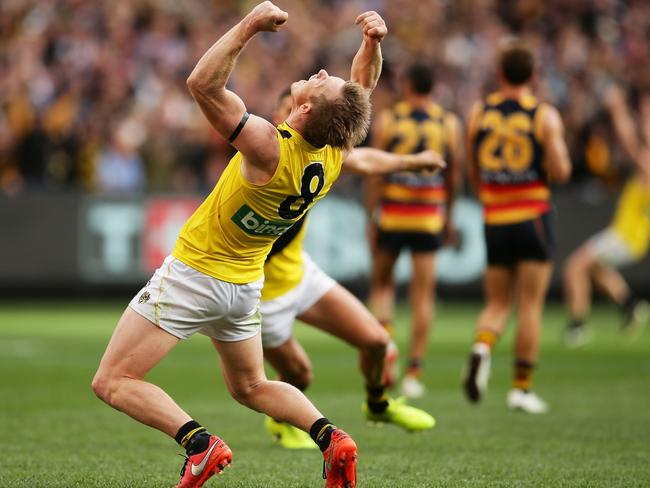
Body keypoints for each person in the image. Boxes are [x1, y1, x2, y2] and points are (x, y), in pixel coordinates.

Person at [91, 3, 387, 487]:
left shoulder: (270, 145)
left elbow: (201, 84)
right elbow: (362, 89)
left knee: (112, 380)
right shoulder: (335, 152)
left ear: (307, 108)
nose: (319, 72)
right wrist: (372, 44)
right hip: (246, 284)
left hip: (195, 274)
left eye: (321, 81)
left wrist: (249, 25)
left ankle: (199, 445)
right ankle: (333, 439)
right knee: (251, 385)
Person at [262, 89, 440, 449]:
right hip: (261, 296)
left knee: (377, 341)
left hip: (301, 275)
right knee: (299, 374)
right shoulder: (266, 155)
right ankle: (280, 421)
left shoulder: (320, 150)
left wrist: (411, 163)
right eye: (290, 108)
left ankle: (378, 404)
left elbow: (361, 159)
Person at [462, 42, 571, 414]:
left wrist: (490, 192)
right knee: (530, 305)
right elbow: (561, 171)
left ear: (500, 74)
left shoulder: (480, 111)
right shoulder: (543, 114)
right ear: (534, 76)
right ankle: (521, 389)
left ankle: (482, 347)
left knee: (496, 302)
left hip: (495, 216)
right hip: (532, 216)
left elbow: (471, 166)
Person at [366, 63, 462, 398]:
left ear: (407, 83)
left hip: (392, 214)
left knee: (382, 285)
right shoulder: (447, 122)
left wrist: (370, 217)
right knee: (423, 296)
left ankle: (385, 347)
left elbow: (376, 171)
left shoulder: (390, 119)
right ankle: (414, 372)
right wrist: (449, 217)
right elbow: (453, 174)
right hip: (427, 216)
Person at [563, 84, 650, 347]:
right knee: (596, 269)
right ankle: (630, 305)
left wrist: (618, 110)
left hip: (626, 236)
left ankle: (577, 326)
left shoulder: (646, 165)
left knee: (574, 267)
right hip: (630, 236)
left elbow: (631, 143)